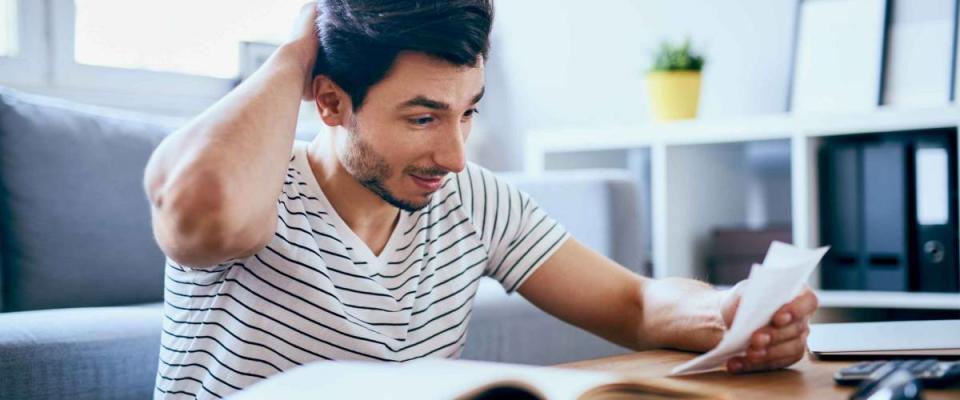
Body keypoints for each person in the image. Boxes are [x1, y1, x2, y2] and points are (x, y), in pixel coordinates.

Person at [144, 1, 818, 398]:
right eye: (422, 118)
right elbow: (201, 218)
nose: (455, 155)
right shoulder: (253, 186)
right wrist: (298, 48)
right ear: (329, 100)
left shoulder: (471, 199)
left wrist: (729, 314)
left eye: (467, 112)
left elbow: (634, 303)